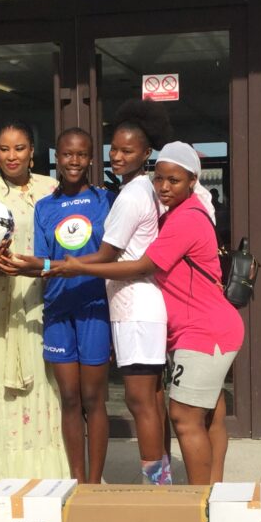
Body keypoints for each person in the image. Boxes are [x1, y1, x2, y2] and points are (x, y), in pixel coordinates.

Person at [48, 142, 243, 485]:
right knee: (211, 416)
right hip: (204, 327)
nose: (164, 187)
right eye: (160, 179)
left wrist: (79, 266)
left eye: (174, 181)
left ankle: (198, 501)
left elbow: (142, 265)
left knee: (183, 416)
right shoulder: (181, 211)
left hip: (203, 331)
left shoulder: (185, 219)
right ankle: (214, 494)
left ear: (192, 181)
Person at [69, 100, 173, 484]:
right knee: (152, 398)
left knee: (140, 400)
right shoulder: (146, 189)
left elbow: (105, 255)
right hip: (143, 306)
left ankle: (155, 485)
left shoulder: (131, 195)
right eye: (113, 148)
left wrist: (58, 266)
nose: (117, 156)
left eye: (127, 151)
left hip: (135, 309)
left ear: (146, 154)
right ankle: (161, 481)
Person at [0, 128, 111, 483]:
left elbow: (111, 256)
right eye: (67, 154)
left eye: (81, 154)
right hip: (58, 310)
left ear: (91, 158)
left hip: (94, 308)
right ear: (56, 158)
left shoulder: (105, 200)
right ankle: (78, 480)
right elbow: (44, 263)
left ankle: (94, 484)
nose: (74, 161)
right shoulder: (45, 207)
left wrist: (52, 265)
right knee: (70, 398)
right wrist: (19, 265)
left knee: (93, 398)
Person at [0, 121, 68, 480]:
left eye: (19, 148)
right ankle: (3, 479)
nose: (12, 156)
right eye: (4, 149)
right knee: (0, 389)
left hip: (42, 299)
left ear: (32, 152)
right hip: (0, 304)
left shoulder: (51, 189)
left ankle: (49, 476)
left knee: (47, 387)